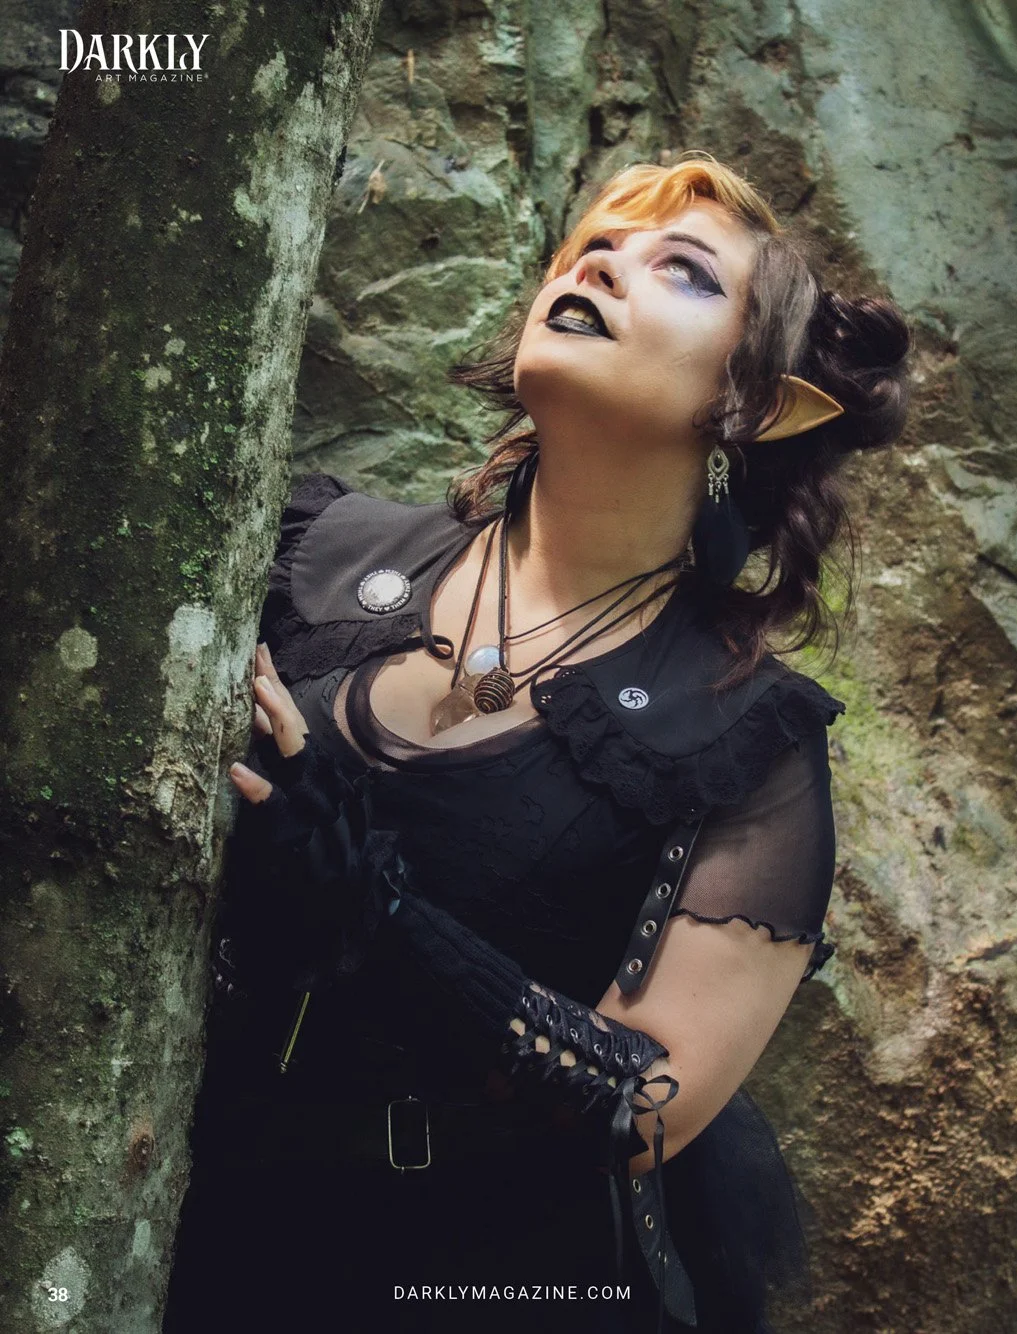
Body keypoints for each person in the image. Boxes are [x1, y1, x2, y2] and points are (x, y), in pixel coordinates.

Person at [164, 153, 910, 1334]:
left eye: (682, 270)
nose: (604, 263)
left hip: (489, 1274)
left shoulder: (747, 736)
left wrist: (381, 913)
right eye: (590, 248)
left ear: (756, 405)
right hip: (192, 1219)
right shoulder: (310, 550)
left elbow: (646, 1103)